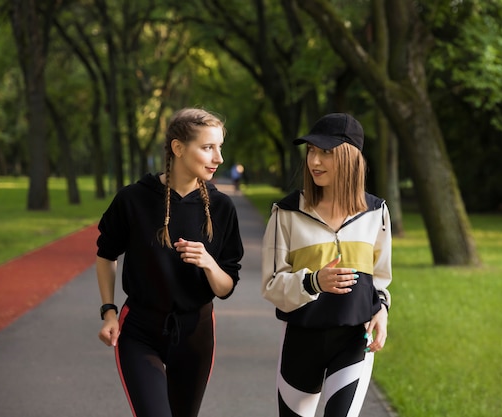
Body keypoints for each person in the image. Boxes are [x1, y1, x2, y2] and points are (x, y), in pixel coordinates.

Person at [96, 107, 244, 417]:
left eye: (220, 147)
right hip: (140, 332)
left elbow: (226, 286)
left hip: (196, 334)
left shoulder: (221, 207)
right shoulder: (133, 200)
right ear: (178, 148)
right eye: (208, 147)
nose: (218, 158)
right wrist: (109, 312)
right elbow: (106, 255)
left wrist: (208, 263)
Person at [261, 113, 392, 417]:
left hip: (353, 341)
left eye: (326, 153)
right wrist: (314, 282)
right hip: (300, 342)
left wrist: (382, 310)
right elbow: (270, 285)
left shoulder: (376, 213)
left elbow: (381, 277)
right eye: (311, 151)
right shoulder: (287, 213)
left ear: (350, 158)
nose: (314, 162)